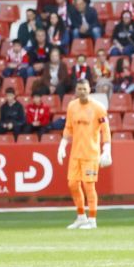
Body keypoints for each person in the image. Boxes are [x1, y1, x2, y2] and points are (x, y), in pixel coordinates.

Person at [57, 79, 112, 230]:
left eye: (84, 89)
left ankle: (92, 220)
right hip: (76, 153)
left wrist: (107, 149)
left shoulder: (98, 108)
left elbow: (105, 129)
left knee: (89, 186)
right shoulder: (72, 106)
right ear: (76, 90)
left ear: (89, 89)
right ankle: (81, 217)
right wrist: (62, 144)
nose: (82, 92)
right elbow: (68, 127)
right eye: (79, 89)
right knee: (72, 184)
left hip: (91, 153)